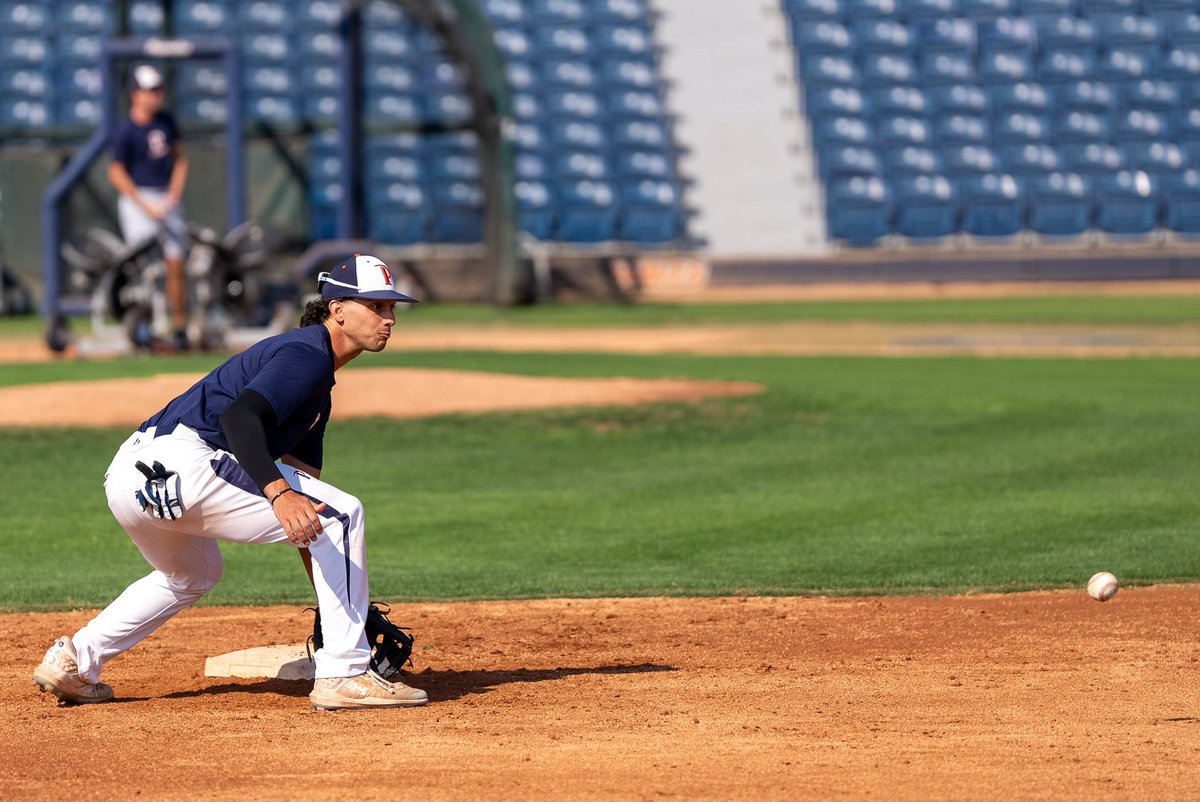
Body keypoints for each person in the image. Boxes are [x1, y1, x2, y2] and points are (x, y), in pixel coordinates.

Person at [32, 254, 429, 711]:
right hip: (187, 462)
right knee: (346, 513)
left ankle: (75, 661)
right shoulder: (307, 353)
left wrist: (339, 610)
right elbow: (239, 418)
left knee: (194, 573)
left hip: (129, 477)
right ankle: (345, 673)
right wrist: (277, 493)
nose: (390, 319)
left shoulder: (316, 386)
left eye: (391, 308)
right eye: (377, 306)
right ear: (337, 308)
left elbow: (309, 523)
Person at [107, 64, 191, 351]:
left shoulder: (166, 121)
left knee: (175, 262)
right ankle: (142, 328)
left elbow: (180, 159)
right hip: (138, 199)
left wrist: (174, 193)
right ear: (134, 93)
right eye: (149, 90)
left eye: (158, 89)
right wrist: (143, 204)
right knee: (142, 268)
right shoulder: (126, 129)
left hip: (165, 197)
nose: (155, 95)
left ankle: (180, 328)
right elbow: (116, 172)